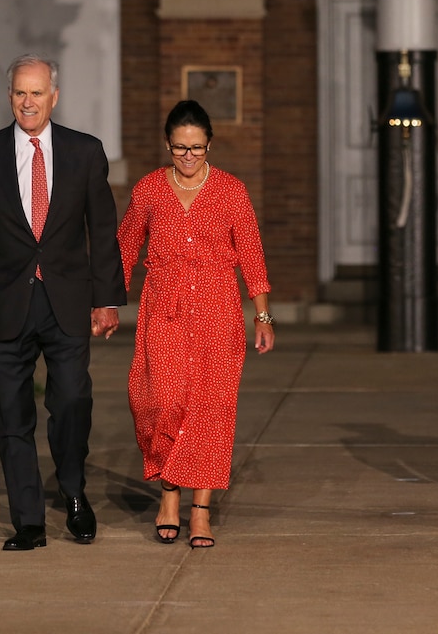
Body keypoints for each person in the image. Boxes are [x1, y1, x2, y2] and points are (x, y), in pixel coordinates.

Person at [0, 53, 127, 551]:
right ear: (10, 98)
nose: (28, 102)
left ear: (54, 96)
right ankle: (27, 520)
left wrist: (107, 300)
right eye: (20, 93)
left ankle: (73, 494)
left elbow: (103, 229)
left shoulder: (84, 152)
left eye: (37, 92)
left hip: (68, 301)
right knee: (14, 415)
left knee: (71, 401)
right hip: (4, 305)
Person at [118, 100, 275, 549]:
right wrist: (105, 304)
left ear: (210, 145)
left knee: (211, 409)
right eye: (180, 149)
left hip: (218, 312)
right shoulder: (149, 189)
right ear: (167, 145)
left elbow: (252, 255)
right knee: (161, 402)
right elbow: (125, 248)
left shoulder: (231, 191)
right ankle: (169, 492)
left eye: (197, 149)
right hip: (163, 308)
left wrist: (262, 316)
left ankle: (198, 509)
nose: (188, 158)